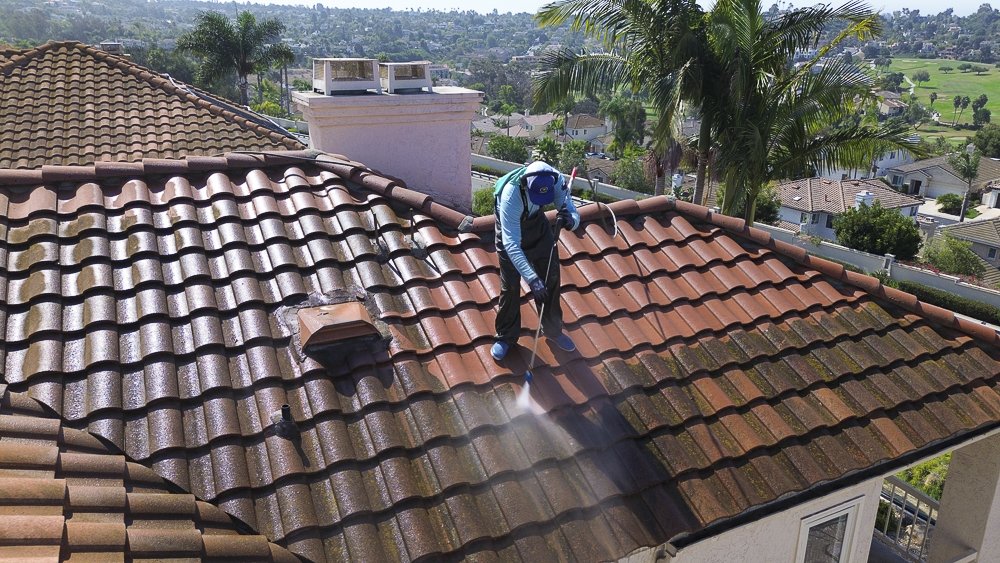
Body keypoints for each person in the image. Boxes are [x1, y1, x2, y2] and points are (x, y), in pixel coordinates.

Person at [490, 161, 581, 361]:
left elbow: (572, 210)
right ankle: (506, 336)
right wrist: (531, 279)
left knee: (551, 278)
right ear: (526, 185)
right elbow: (512, 244)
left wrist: (571, 220)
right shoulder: (511, 196)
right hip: (509, 233)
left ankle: (553, 330)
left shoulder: (556, 180)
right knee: (511, 286)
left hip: (537, 225)